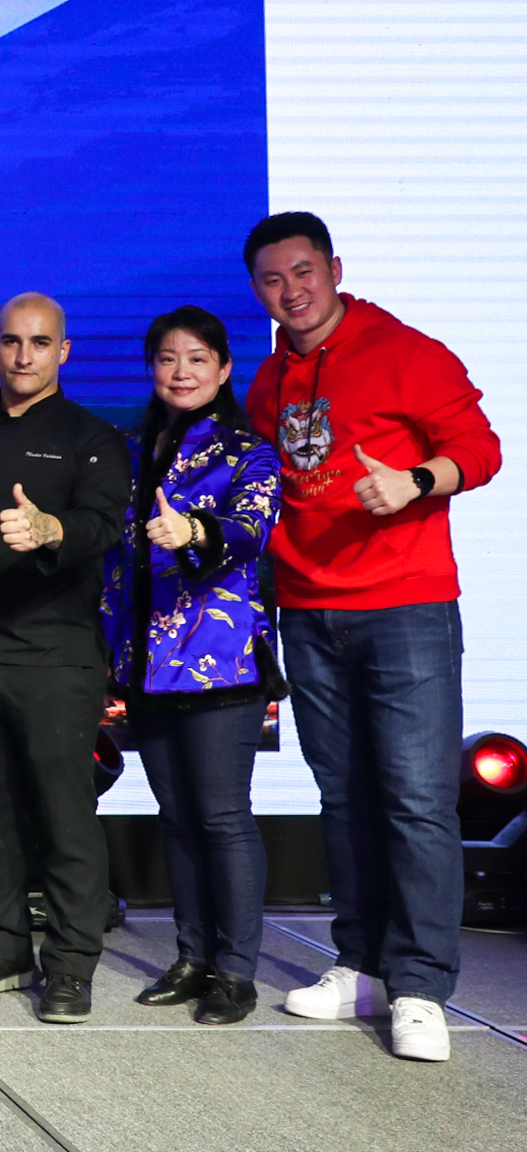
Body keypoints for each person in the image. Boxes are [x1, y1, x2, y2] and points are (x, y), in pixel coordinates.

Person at [243, 212, 502, 1062]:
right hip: (309, 611)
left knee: (418, 799)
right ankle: (358, 963)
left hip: (405, 607)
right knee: (344, 795)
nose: (291, 290)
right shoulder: (270, 380)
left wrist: (418, 480)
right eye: (273, 279)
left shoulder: (407, 352)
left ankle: (419, 985)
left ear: (335, 269)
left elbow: (481, 448)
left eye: (304, 271)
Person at [0, 294, 127, 1024]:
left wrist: (50, 529)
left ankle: (71, 965)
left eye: (40, 342)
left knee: (65, 818)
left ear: (63, 351)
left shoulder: (92, 438)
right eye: (11, 341)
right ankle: (3, 947)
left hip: (57, 655)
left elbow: (104, 524)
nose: (24, 355)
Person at [101, 306, 282, 1026]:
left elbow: (252, 528)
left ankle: (235, 971)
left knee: (223, 817)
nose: (181, 371)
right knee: (176, 817)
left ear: (225, 368)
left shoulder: (248, 451)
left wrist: (193, 530)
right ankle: (192, 955)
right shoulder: (129, 449)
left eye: (198, 358)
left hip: (220, 663)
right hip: (146, 665)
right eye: (168, 358)